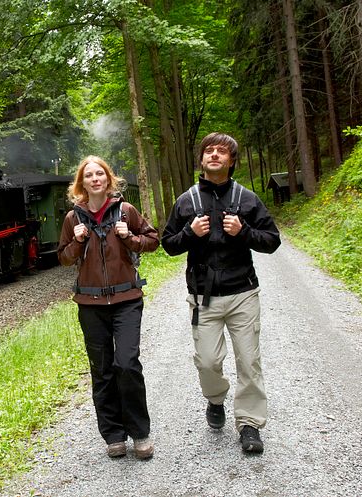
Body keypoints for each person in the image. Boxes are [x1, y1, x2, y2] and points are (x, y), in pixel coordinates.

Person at [161, 132, 281, 453]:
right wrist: (189, 233)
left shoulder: (247, 199)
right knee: (208, 361)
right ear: (201, 160)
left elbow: (272, 240)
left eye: (221, 152)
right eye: (209, 151)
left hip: (243, 292)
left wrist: (244, 233)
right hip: (203, 296)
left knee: (249, 360)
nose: (214, 155)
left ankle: (250, 424)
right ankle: (216, 399)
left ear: (231, 160)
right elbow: (168, 244)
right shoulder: (186, 201)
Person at [57, 155, 159, 459]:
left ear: (108, 178)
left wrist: (129, 237)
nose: (94, 178)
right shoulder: (72, 219)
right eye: (88, 175)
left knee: (126, 364)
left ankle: (140, 433)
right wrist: (76, 242)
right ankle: (113, 434)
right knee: (101, 370)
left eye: (99, 173)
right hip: (90, 304)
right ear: (81, 183)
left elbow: (152, 240)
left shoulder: (126, 210)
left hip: (127, 299)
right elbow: (63, 258)